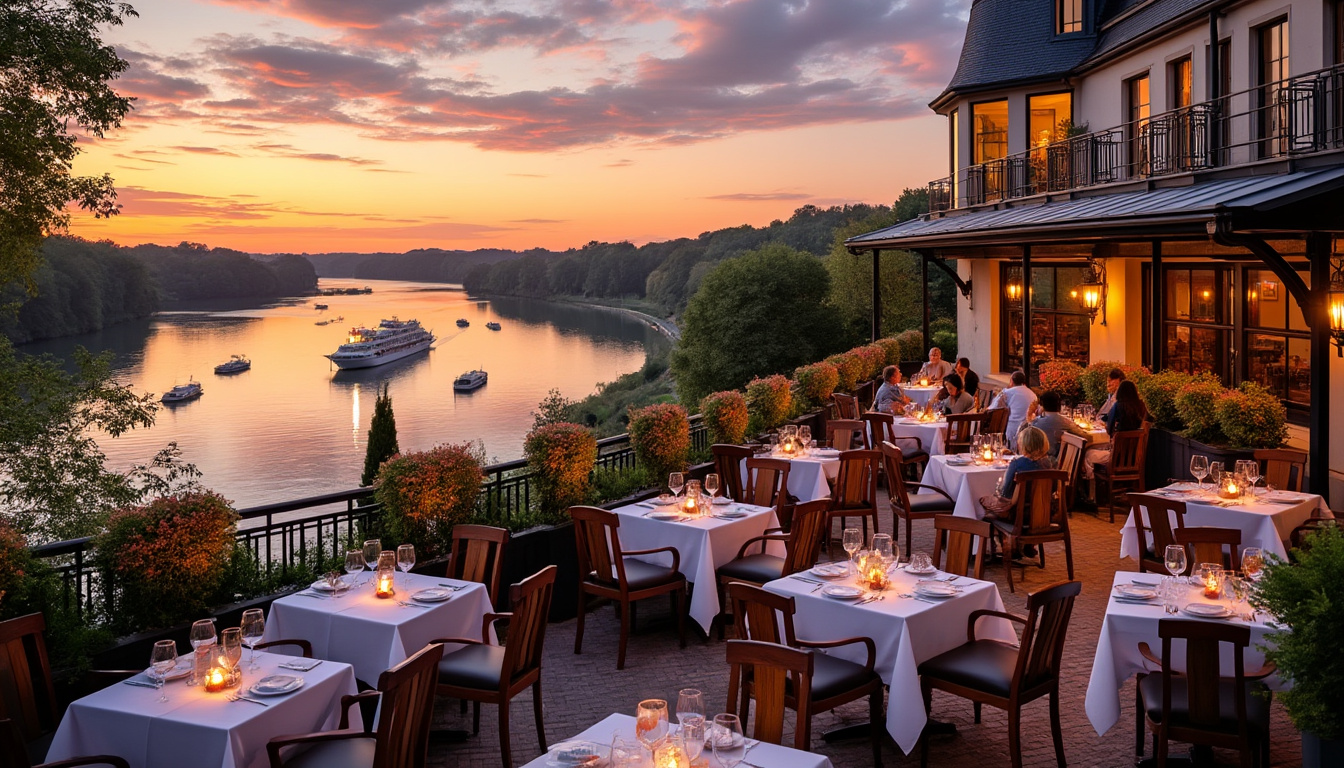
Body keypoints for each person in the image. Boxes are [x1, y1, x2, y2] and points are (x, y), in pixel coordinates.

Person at [978, 426, 1055, 557]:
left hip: (1018, 516)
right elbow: (1053, 489)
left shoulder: (1017, 464)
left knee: (983, 502)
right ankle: (1027, 545)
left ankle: (1006, 547)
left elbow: (1005, 493)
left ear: (1023, 444)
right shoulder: (1049, 464)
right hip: (1044, 514)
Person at [1082, 379, 1151, 479]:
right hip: (1136, 457)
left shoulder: (1117, 406)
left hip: (1116, 457)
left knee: (1088, 453)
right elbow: (1148, 420)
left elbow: (1109, 430)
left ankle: (1092, 491)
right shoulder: (1142, 406)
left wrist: (1108, 427)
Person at [1026, 391, 1089, 460]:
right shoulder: (1065, 422)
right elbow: (1085, 437)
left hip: (1035, 460)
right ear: (1059, 405)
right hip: (1056, 461)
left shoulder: (1035, 422)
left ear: (1042, 405)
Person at [990, 370, 1038, 449]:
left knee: (1011, 450)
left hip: (1013, 427)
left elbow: (994, 407)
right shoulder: (1033, 394)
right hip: (1029, 429)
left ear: (1011, 381)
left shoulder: (1007, 392)